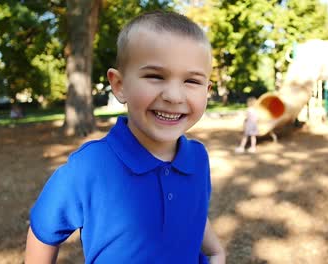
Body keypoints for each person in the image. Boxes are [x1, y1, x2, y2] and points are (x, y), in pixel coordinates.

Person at [25, 11, 225, 264]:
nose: (174, 95)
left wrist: (215, 251)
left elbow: (192, 211)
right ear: (119, 85)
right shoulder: (91, 165)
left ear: (207, 91)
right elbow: (44, 230)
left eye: (191, 80)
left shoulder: (198, 158)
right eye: (155, 76)